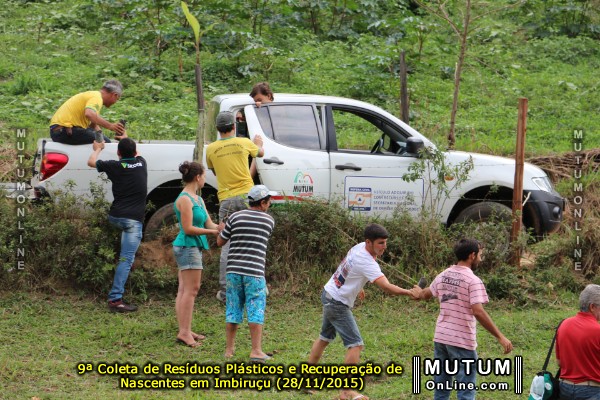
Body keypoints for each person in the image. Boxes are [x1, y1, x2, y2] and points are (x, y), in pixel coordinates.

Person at [307, 223, 417, 400]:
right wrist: (410, 292)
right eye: (380, 243)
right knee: (355, 345)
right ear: (368, 242)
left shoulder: (358, 247)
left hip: (329, 293)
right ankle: (346, 390)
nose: (384, 247)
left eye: (385, 242)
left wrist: (358, 286)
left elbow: (347, 268)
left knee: (324, 338)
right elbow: (386, 287)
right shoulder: (366, 260)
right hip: (337, 302)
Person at [411, 238, 513, 400]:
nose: (481, 258)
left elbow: (425, 294)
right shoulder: (473, 281)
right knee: (466, 390)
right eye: (480, 255)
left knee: (441, 388)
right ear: (472, 255)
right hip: (461, 341)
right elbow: (478, 312)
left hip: (441, 339)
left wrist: (418, 292)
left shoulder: (443, 275)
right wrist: (500, 336)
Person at [206, 111, 264, 303]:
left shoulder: (211, 149)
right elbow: (261, 153)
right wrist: (258, 143)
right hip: (248, 198)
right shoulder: (244, 142)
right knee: (253, 242)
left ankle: (226, 292)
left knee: (227, 246)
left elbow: (215, 171)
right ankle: (256, 287)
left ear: (217, 129)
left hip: (227, 201)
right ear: (234, 126)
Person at [216, 184, 276, 362]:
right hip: (254, 272)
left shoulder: (235, 217)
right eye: (269, 201)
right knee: (255, 309)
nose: (270, 204)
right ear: (263, 203)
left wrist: (222, 229)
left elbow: (220, 242)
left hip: (233, 272)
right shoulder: (268, 221)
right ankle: (256, 350)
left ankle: (229, 350)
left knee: (233, 308)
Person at [87, 138, 147, 312]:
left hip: (115, 217)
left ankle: (121, 276)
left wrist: (98, 148)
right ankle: (115, 300)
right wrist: (125, 136)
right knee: (125, 259)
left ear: (118, 153)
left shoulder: (114, 166)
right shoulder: (142, 163)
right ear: (135, 152)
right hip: (132, 221)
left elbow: (91, 162)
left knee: (126, 256)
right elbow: (136, 153)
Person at [172, 161, 220, 347]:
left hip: (192, 246)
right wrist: (213, 233)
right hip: (187, 246)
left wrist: (221, 228)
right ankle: (184, 332)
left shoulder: (197, 199)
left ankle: (185, 329)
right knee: (191, 290)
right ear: (198, 177)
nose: (205, 179)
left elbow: (209, 223)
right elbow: (188, 229)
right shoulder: (185, 199)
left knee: (185, 289)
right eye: (204, 176)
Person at [555, 284, 600, 399]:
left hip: (564, 389)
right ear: (592, 307)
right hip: (593, 391)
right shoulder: (597, 330)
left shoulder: (564, 324)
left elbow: (559, 362)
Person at [50, 80, 127, 145]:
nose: (115, 102)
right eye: (117, 99)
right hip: (63, 131)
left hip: (58, 131)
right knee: (105, 143)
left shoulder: (93, 95)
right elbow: (89, 114)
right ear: (114, 95)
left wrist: (103, 136)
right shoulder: (97, 97)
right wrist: (110, 126)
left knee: (104, 141)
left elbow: (93, 125)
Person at [248, 82, 274, 179]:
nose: (257, 103)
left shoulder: (277, 109)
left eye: (259, 100)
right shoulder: (260, 109)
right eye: (255, 101)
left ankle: (248, 179)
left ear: (269, 96)